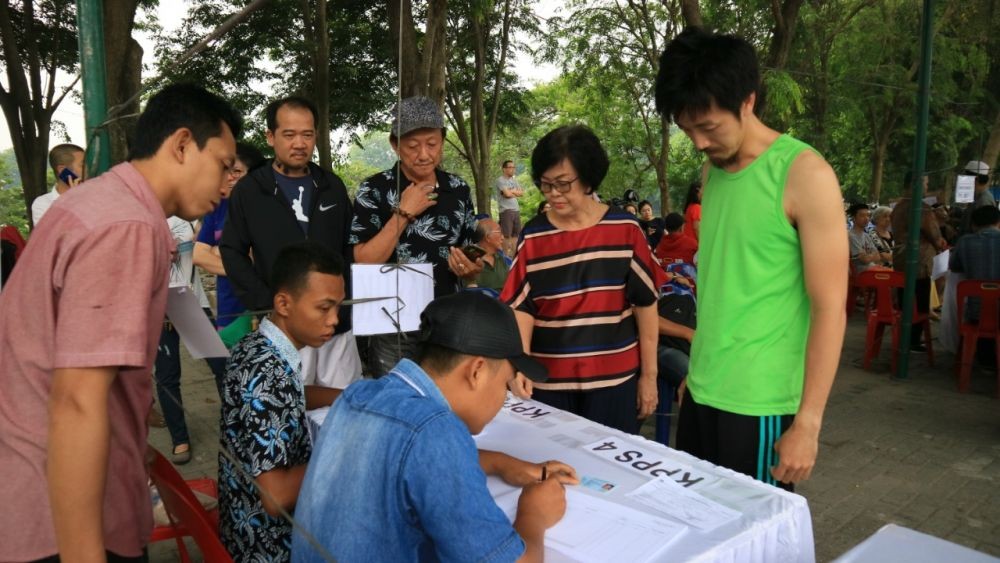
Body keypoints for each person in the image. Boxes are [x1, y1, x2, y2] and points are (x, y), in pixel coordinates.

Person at [0, 83, 240, 562]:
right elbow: (77, 400)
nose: (227, 180)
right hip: (60, 520)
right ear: (181, 144)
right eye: (223, 162)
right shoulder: (126, 227)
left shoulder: (102, 204)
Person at [655, 27, 847, 489]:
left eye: (709, 127)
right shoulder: (713, 170)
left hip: (761, 403)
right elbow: (723, 285)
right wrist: (697, 374)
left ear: (747, 100)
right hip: (703, 390)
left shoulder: (804, 174)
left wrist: (808, 423)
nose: (699, 142)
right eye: (687, 129)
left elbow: (830, 309)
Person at [292, 291, 577, 563]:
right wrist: (534, 514)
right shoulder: (436, 431)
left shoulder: (360, 395)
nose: (504, 397)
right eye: (506, 384)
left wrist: (502, 463)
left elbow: (405, 453)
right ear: (476, 371)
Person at [501, 125, 664, 433]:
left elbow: (646, 304)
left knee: (613, 473)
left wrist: (649, 377)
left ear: (589, 177)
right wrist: (520, 364)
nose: (554, 195)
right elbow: (521, 306)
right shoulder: (534, 236)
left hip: (615, 381)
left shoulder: (625, 229)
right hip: (549, 384)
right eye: (546, 185)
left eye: (563, 184)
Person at [220, 96, 360, 408]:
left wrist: (346, 301)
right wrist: (265, 303)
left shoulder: (331, 186)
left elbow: (350, 248)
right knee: (289, 408)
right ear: (271, 137)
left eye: (307, 135)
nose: (299, 143)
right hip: (287, 328)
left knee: (344, 408)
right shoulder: (250, 190)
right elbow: (232, 250)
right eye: (289, 134)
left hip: (338, 325)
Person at [219, 242, 345, 562]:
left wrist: (351, 396)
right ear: (284, 303)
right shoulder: (267, 373)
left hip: (240, 519)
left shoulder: (258, 346)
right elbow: (276, 497)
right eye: (324, 308)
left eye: (338, 308)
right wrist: (346, 451)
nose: (334, 320)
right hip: (269, 544)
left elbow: (291, 395)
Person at [350, 96, 481, 376]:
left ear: (442, 141)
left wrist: (470, 269)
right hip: (392, 327)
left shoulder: (457, 189)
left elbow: (470, 255)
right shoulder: (374, 190)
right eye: (412, 146)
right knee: (395, 403)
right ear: (395, 145)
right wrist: (403, 214)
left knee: (447, 402)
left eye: (432, 144)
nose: (424, 154)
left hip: (447, 322)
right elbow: (363, 261)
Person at [153, 214, 218, 465]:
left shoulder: (190, 213)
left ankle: (238, 427)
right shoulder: (141, 218)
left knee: (221, 367)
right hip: (159, 306)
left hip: (190, 302)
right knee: (168, 376)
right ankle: (179, 439)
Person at [194, 142, 266, 366]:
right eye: (226, 171)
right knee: (232, 375)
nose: (229, 177)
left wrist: (218, 253)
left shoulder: (265, 208)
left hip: (261, 306)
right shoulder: (218, 207)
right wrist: (242, 266)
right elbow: (198, 255)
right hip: (228, 308)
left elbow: (263, 256)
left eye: (237, 171)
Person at [892, 172, 947, 351]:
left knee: (904, 303)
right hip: (919, 264)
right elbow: (937, 239)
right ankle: (913, 341)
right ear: (915, 185)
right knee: (920, 307)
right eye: (925, 184)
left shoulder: (898, 207)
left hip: (900, 261)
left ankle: (905, 338)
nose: (927, 188)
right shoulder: (922, 209)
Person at [31, 143, 85, 226]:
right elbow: (53, 237)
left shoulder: (92, 197)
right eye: (82, 165)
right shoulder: (42, 204)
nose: (87, 170)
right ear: (63, 170)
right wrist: (73, 201)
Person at [468, 216, 511, 294]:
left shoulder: (503, 259)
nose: (503, 237)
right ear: (488, 237)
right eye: (499, 232)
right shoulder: (471, 261)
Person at [847, 203, 889, 273]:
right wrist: (872, 256)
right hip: (863, 273)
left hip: (874, 268)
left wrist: (869, 256)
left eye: (868, 215)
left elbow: (878, 257)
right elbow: (865, 259)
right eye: (862, 216)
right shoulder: (872, 234)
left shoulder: (867, 235)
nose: (866, 218)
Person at [960, 160, 996, 235]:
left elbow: (983, 231)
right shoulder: (976, 197)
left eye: (966, 177)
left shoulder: (984, 200)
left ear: (976, 179)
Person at [497, 159, 524, 256]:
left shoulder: (514, 180)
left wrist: (510, 191)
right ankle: (505, 258)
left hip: (516, 210)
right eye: (510, 167)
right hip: (506, 211)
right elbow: (507, 194)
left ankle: (514, 256)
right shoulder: (500, 180)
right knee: (506, 236)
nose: (513, 169)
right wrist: (513, 192)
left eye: (514, 167)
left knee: (516, 235)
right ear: (504, 169)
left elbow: (521, 193)